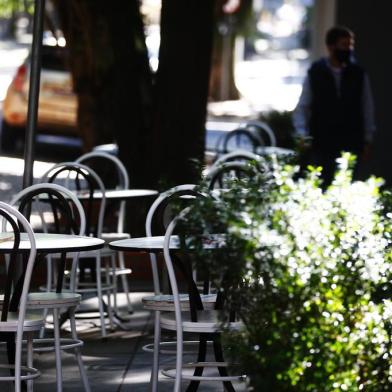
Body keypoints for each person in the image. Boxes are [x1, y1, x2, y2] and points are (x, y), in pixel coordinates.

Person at [293, 26, 376, 185]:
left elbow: (367, 107)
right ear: (331, 46)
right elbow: (303, 105)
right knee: (323, 182)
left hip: (351, 140)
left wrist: (367, 138)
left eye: (350, 45)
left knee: (347, 182)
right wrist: (302, 134)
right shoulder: (316, 72)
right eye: (344, 45)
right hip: (323, 140)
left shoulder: (358, 73)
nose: (348, 49)